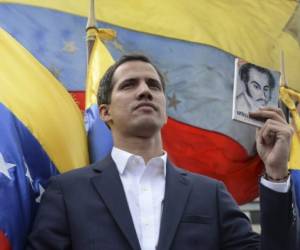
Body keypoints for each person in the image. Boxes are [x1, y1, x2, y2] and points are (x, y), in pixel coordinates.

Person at [27, 54, 298, 250]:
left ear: (165, 111)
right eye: (129, 85)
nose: (145, 91)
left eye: (153, 85)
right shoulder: (67, 191)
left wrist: (275, 173)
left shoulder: (210, 193)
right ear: (105, 112)